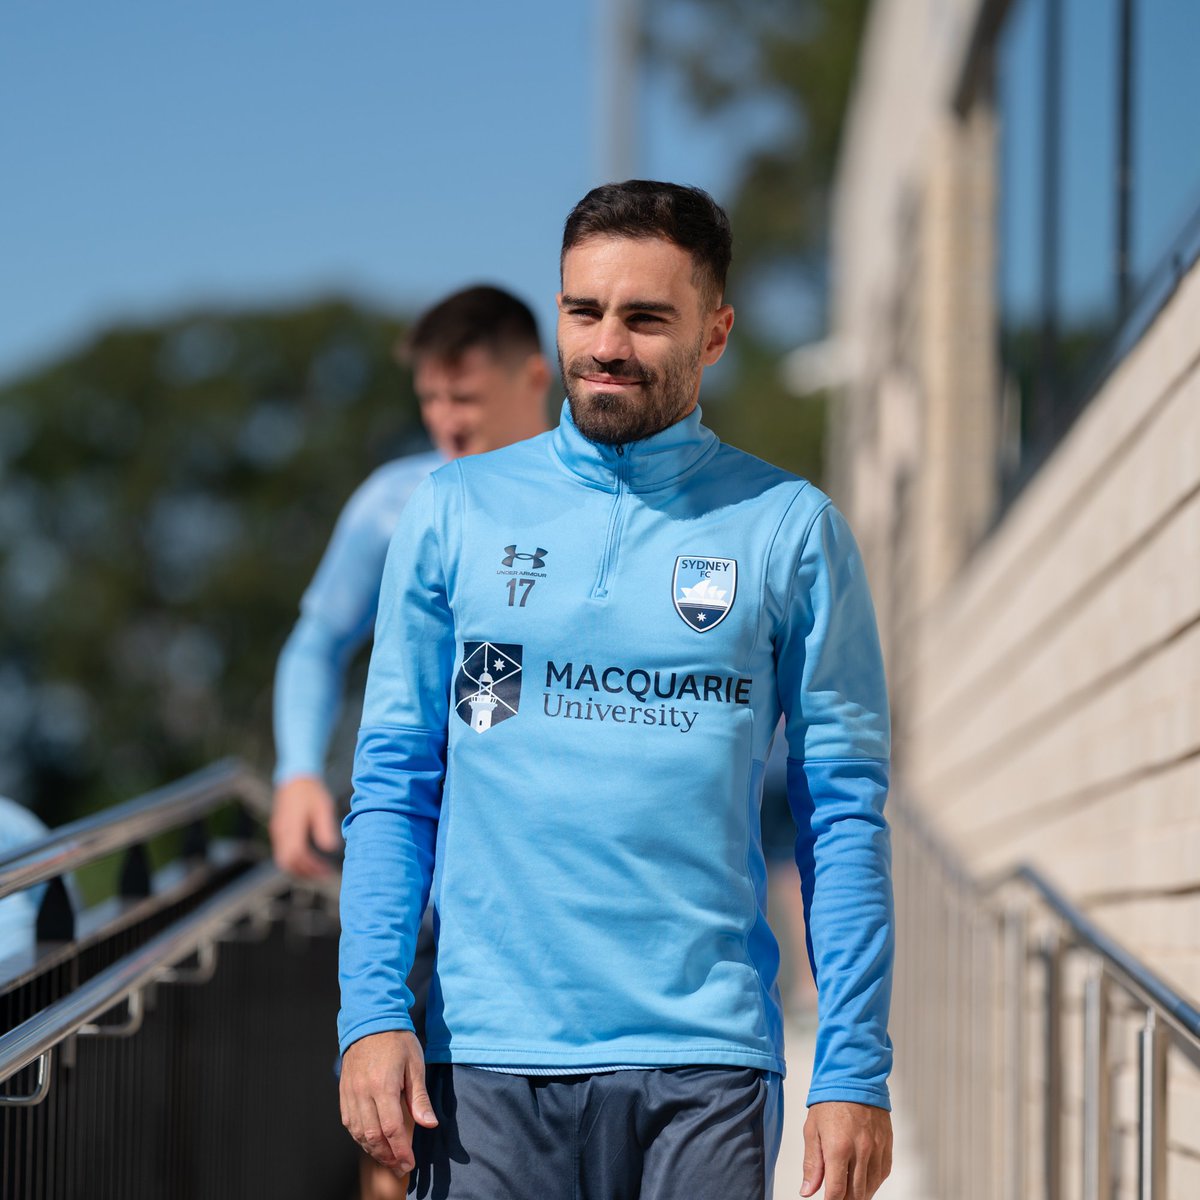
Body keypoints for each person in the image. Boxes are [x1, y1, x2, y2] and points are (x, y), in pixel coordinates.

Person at [338, 182, 895, 1200]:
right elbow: (393, 784)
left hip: (706, 1061)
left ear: (716, 333)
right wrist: (373, 1014)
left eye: (646, 317)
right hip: (488, 1055)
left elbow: (844, 813)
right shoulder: (453, 511)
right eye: (583, 310)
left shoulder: (788, 528)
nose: (606, 344)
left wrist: (853, 1064)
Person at [270, 285, 551, 879]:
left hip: (551, 843)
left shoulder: (603, 499)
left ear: (533, 378)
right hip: (422, 846)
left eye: (465, 398)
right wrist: (296, 773)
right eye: (430, 398)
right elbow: (315, 645)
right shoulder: (392, 503)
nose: (445, 422)